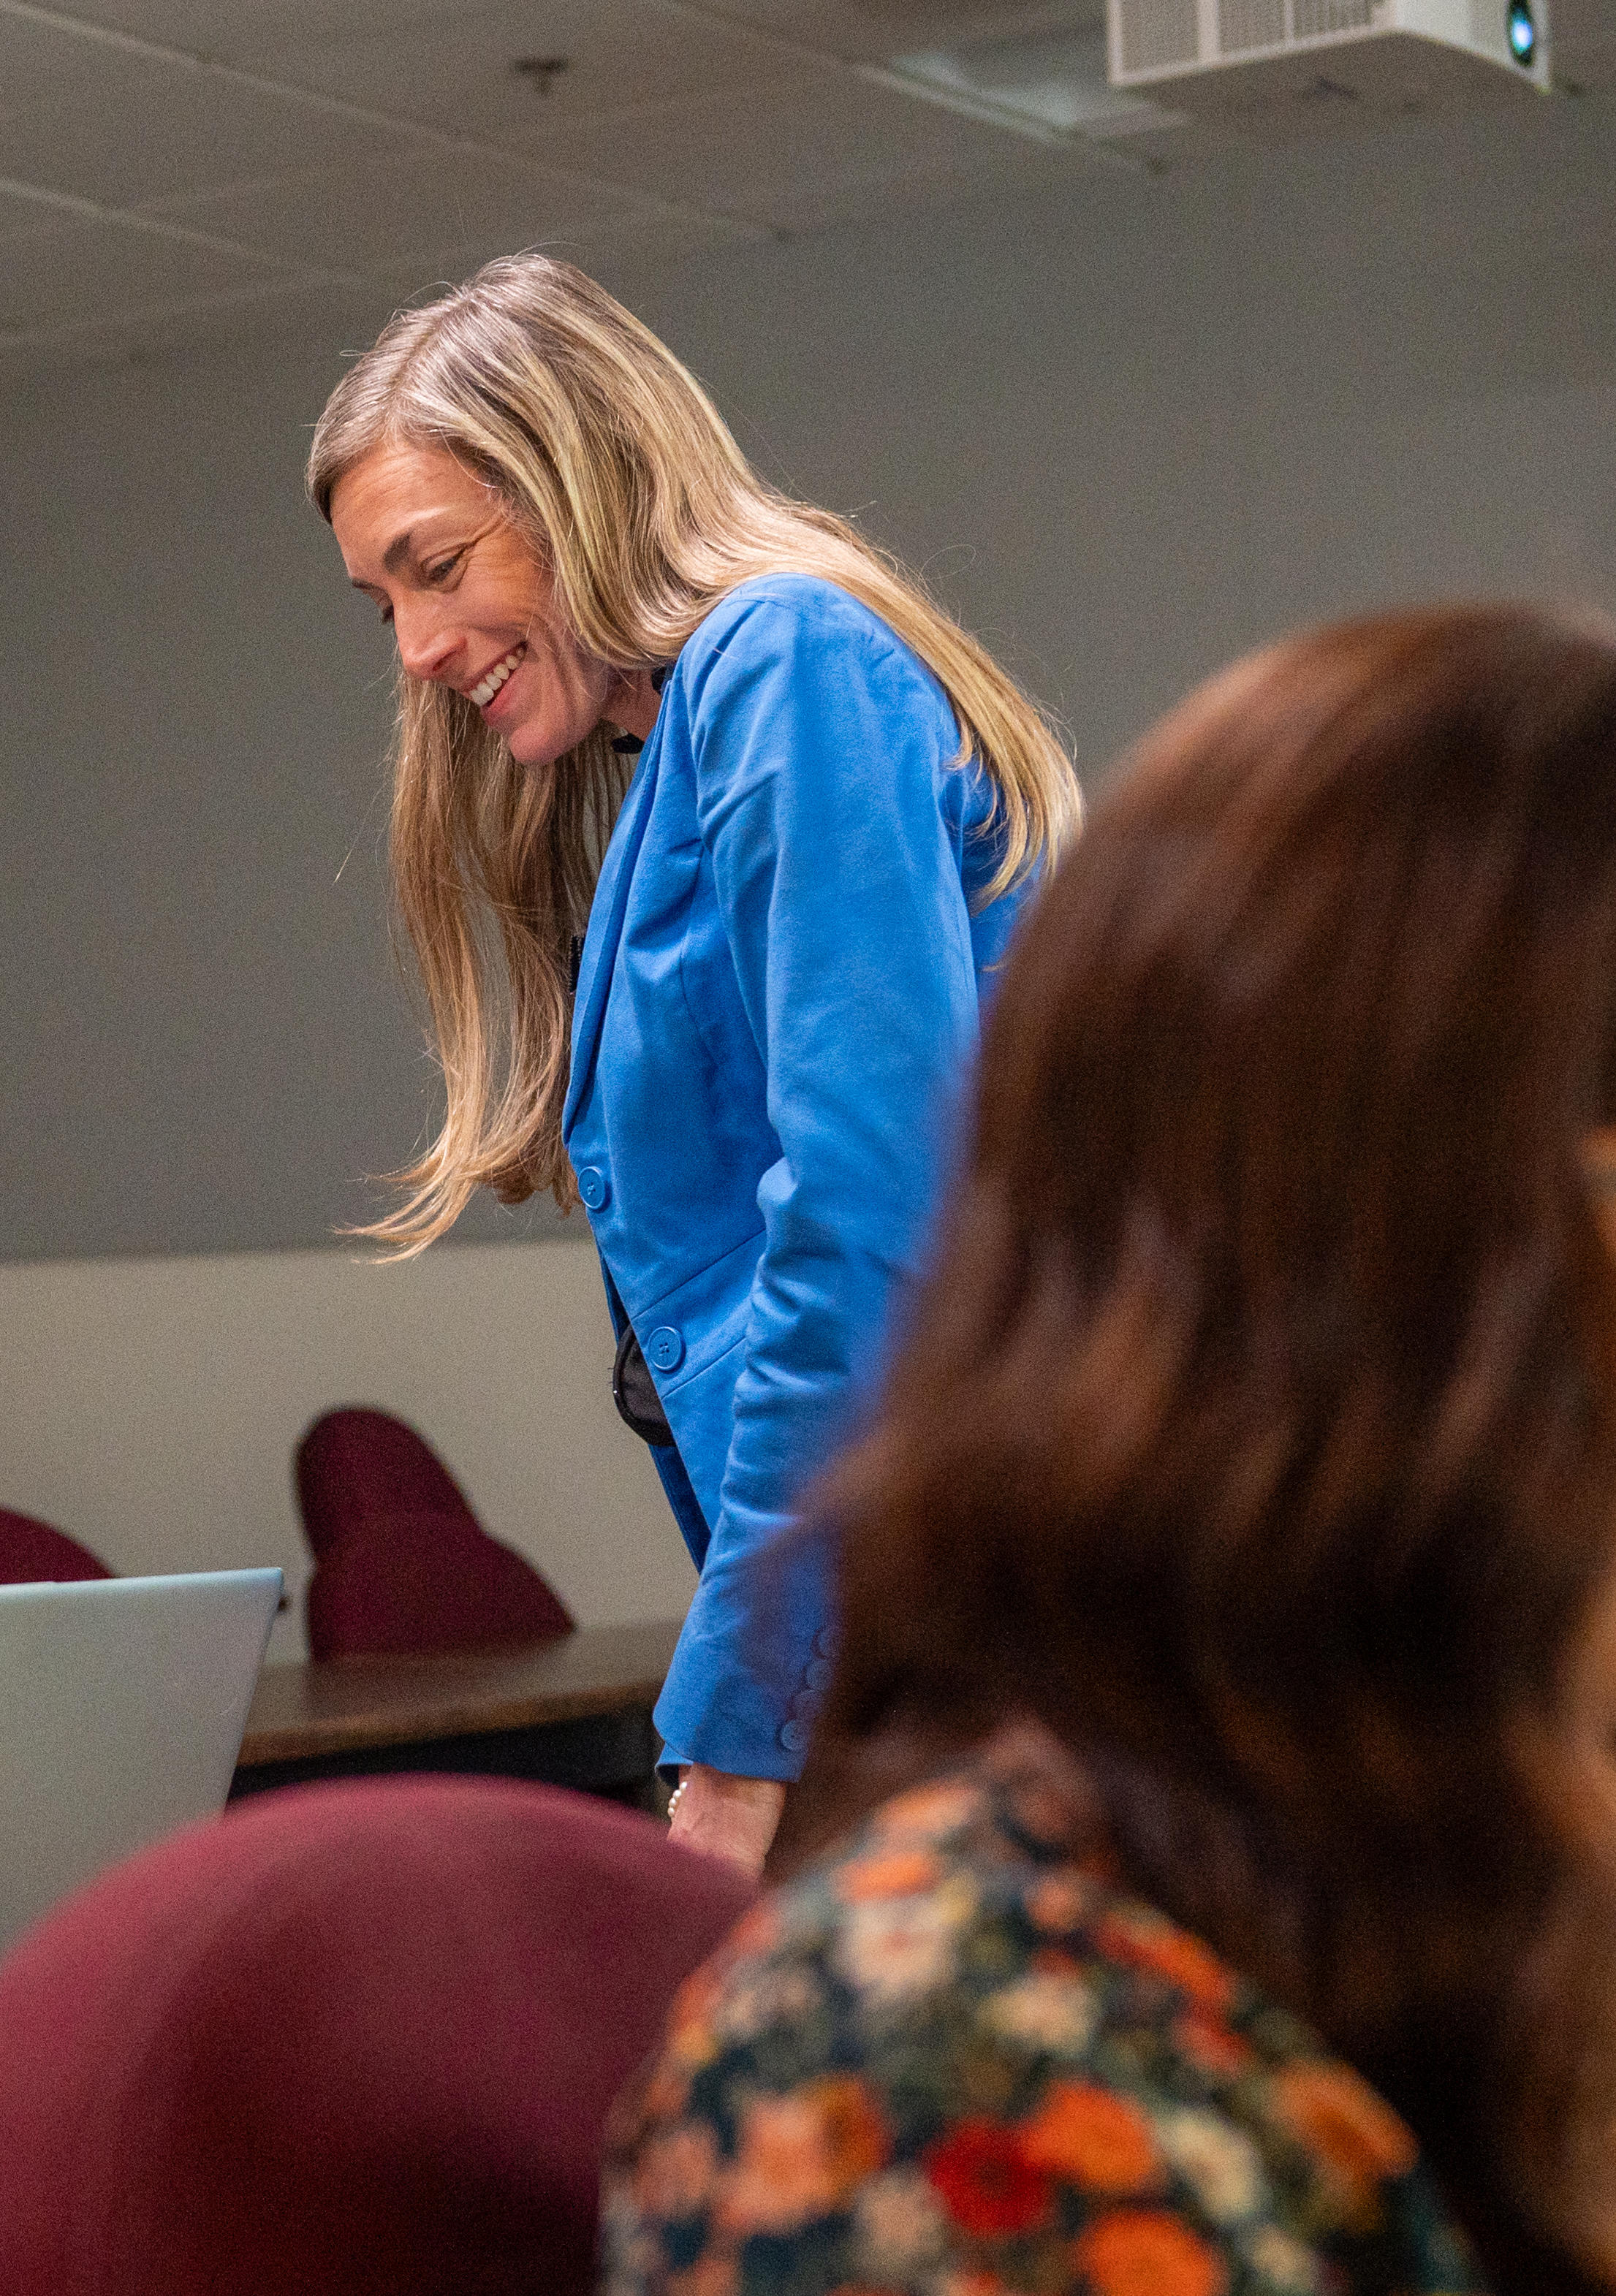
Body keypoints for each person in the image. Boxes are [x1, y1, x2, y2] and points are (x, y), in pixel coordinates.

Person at [602, 604, 1616, 2296]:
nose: (418, 650)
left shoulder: (1528, 1836)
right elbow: (854, 1229)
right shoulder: (947, 2070)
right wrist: (735, 1741)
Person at [308, 254, 1077, 1870]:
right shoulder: (683, 730)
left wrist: (734, 1737)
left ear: (577, 483)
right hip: (901, 1627)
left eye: (437, 566)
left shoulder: (780, 659)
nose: (418, 647)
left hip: (971, 1624)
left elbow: (869, 1219)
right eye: (385, 602)